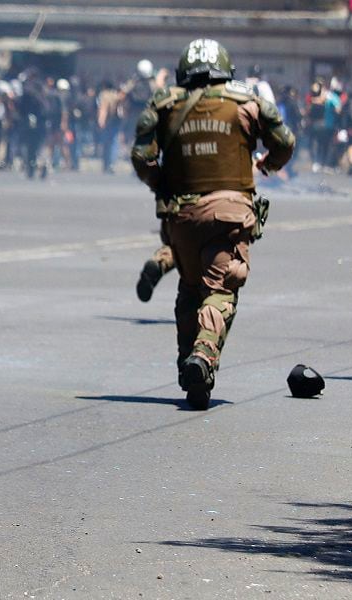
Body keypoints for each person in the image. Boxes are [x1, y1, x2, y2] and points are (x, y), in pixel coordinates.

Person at [131, 38, 295, 409]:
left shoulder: (164, 103)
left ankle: (189, 369)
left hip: (181, 217)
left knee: (189, 289)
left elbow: (142, 156)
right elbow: (284, 143)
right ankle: (203, 356)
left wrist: (164, 185)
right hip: (230, 214)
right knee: (220, 290)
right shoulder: (247, 101)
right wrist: (264, 165)